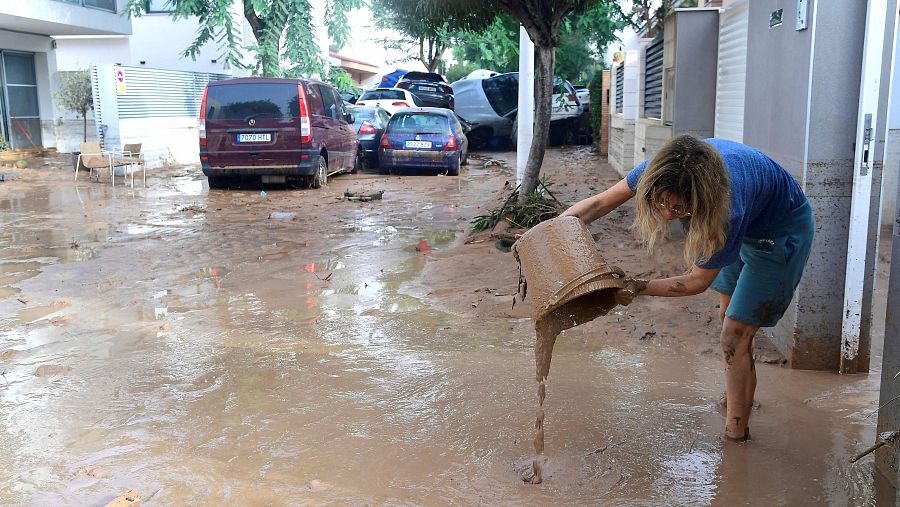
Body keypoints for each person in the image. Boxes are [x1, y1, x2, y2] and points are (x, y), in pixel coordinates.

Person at [562, 134, 814, 442]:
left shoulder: (726, 211)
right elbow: (599, 203)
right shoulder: (660, 170)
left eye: (679, 207)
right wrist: (546, 233)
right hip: (749, 218)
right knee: (727, 316)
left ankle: (736, 436)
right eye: (661, 204)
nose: (668, 215)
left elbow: (695, 282)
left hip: (780, 231)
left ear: (700, 197)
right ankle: (737, 395)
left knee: (735, 335)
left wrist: (631, 287)